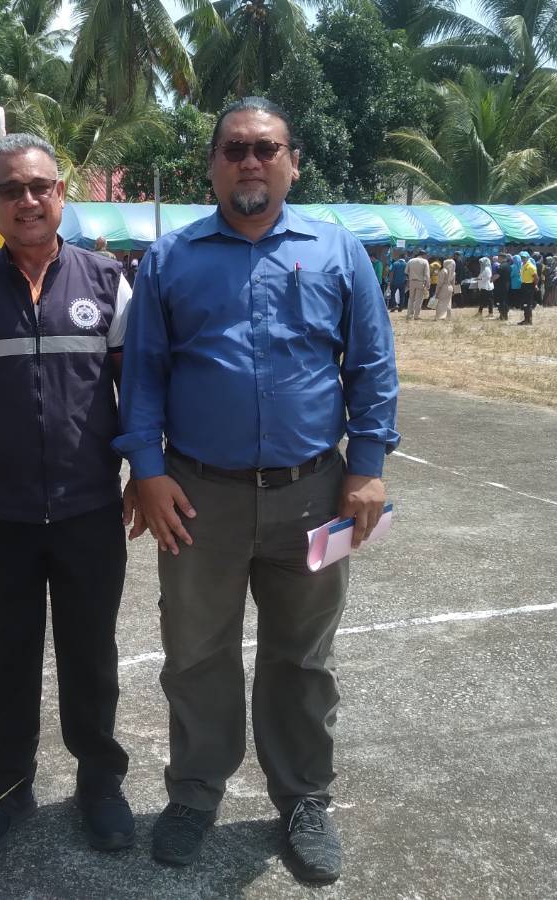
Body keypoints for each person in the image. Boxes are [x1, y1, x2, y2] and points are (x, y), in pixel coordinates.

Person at [117, 97, 399, 883]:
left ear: (291, 163)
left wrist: (366, 465)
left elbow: (370, 364)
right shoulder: (170, 260)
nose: (250, 161)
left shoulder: (337, 252)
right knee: (194, 653)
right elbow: (142, 374)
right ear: (211, 165)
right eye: (234, 148)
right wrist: (146, 471)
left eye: (266, 148)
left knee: (302, 656)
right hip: (196, 499)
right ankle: (194, 794)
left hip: (314, 495)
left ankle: (304, 797)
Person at [0, 133, 137, 857]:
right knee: (6, 654)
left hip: (89, 508)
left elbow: (135, 387)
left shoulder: (107, 281)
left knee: (90, 652)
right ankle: (6, 788)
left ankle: (99, 783)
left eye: (40, 186)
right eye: (11, 189)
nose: (27, 200)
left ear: (61, 194)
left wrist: (146, 472)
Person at [405, 249, 430, 321]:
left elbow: (406, 271)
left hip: (411, 281)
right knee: (419, 299)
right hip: (420, 282)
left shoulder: (411, 261)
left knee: (411, 298)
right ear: (424, 255)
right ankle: (416, 315)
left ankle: (409, 314)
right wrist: (428, 283)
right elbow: (427, 274)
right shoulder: (425, 261)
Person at [518, 251, 539, 325]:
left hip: (529, 285)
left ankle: (529, 320)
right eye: (522, 257)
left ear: (528, 258)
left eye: (524, 257)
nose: (522, 258)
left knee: (528, 303)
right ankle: (526, 319)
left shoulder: (530, 266)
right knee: (525, 303)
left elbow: (536, 278)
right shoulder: (523, 265)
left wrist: (535, 285)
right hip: (524, 285)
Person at [493, 253, 512, 321]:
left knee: (501, 301)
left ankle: (503, 315)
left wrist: (491, 280)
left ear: (501, 258)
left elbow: (497, 276)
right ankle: (504, 315)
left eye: (498, 258)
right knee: (505, 300)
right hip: (507, 285)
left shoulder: (501, 266)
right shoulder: (508, 265)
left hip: (500, 286)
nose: (498, 259)